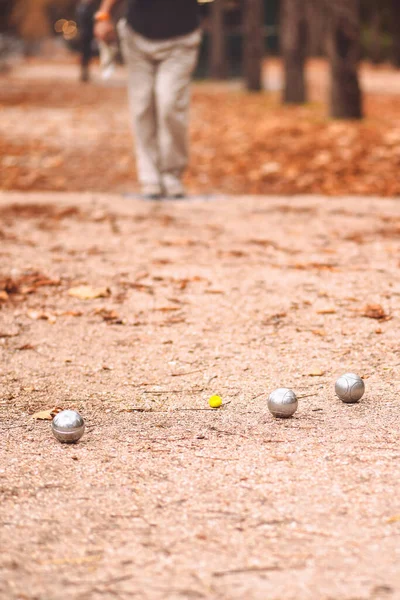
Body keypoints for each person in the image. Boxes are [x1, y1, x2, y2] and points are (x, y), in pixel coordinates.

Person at [94, 0, 201, 199]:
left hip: (182, 40)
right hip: (137, 38)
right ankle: (149, 177)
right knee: (142, 105)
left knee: (169, 103)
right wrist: (103, 16)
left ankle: (171, 174)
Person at [76, 0, 100, 82]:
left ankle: (85, 74)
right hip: (86, 34)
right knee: (85, 55)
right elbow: (89, 21)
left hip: (85, 34)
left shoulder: (82, 7)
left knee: (86, 55)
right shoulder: (85, 8)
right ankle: (84, 74)